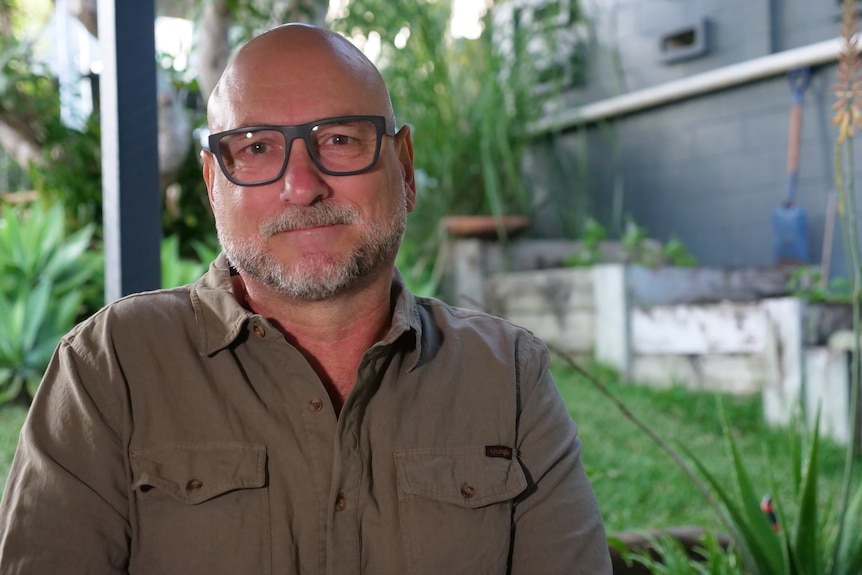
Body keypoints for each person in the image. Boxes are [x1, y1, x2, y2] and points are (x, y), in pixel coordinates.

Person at [0, 23, 612, 574]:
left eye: (341, 138)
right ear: (214, 183)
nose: (302, 186)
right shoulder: (111, 366)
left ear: (403, 166)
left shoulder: (507, 374)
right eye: (258, 147)